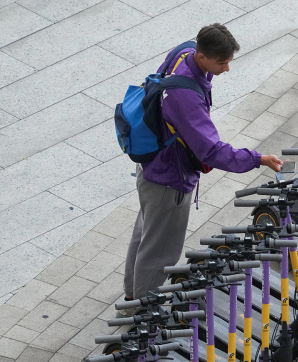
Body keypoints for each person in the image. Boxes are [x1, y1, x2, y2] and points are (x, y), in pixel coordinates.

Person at [121, 23, 282, 316]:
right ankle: (143, 312)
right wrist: (258, 159)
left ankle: (133, 294)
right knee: (160, 250)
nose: (226, 69)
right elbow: (211, 150)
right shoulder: (185, 99)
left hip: (152, 167)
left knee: (146, 232)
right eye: (222, 63)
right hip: (169, 178)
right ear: (203, 56)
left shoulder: (183, 51)